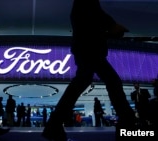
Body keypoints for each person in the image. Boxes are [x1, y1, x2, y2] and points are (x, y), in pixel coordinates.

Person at [42, 0, 136, 141]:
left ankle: (53, 125)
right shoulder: (86, 4)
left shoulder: (79, 6)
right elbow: (94, 18)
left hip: (85, 48)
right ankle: (128, 122)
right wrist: (111, 26)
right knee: (111, 81)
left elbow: (89, 22)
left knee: (84, 81)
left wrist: (109, 28)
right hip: (90, 49)